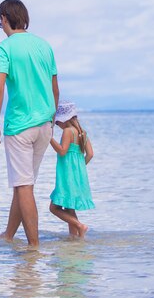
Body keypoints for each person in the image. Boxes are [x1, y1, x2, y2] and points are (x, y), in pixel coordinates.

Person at [0, 0, 59, 248]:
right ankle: (9, 235)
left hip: (19, 125)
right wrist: (51, 120)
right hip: (44, 124)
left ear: (6, 19)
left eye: (0, 21)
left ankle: (33, 248)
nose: (1, 25)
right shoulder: (44, 46)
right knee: (24, 185)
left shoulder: (4, 48)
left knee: (23, 186)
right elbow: (54, 88)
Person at [49, 101, 94, 238]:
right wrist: (79, 169)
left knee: (54, 208)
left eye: (57, 122)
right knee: (69, 207)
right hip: (77, 176)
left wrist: (49, 139)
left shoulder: (68, 131)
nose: (57, 125)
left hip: (66, 176)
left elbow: (62, 151)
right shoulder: (82, 133)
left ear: (65, 119)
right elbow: (90, 154)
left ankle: (81, 226)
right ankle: (74, 237)